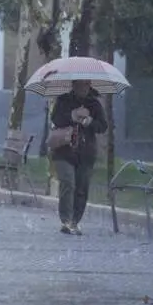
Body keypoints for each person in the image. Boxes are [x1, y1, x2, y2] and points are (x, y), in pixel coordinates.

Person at [50, 80, 107, 235]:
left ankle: (75, 221)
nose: (83, 88)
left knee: (81, 188)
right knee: (68, 183)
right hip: (64, 150)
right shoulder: (63, 101)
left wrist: (89, 122)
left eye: (86, 85)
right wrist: (72, 116)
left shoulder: (94, 104)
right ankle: (66, 220)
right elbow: (55, 119)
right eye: (80, 84)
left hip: (86, 153)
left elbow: (102, 126)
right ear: (74, 85)